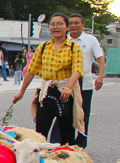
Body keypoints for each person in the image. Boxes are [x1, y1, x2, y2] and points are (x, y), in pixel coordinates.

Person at [12, 12, 84, 146]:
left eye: (60, 24)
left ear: (67, 27)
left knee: (67, 133)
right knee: (40, 131)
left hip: (65, 93)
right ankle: (40, 161)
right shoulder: (43, 47)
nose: (55, 27)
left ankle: (67, 160)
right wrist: (21, 92)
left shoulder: (74, 47)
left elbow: (77, 70)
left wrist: (68, 88)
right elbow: (31, 70)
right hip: (47, 92)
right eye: (52, 24)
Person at [67, 13, 105, 148]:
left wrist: (100, 76)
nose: (73, 25)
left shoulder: (91, 40)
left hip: (85, 82)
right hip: (66, 82)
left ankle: (81, 143)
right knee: (67, 113)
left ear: (83, 25)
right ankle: (68, 142)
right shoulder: (64, 39)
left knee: (83, 113)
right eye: (71, 23)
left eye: (76, 23)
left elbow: (100, 58)